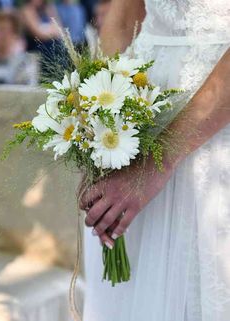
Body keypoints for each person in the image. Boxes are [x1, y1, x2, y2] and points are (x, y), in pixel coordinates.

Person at [80, 0, 230, 320]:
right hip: (143, 108)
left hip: (215, 137)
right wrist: (105, 125)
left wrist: (154, 165)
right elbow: (122, 18)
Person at [0, 10, 38, 85]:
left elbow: (27, 90)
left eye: (4, 30)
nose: (0, 34)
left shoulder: (25, 62)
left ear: (15, 34)